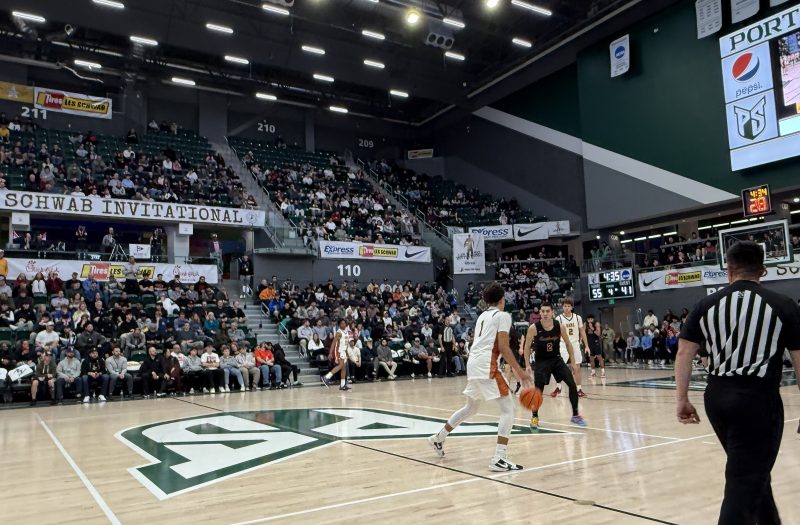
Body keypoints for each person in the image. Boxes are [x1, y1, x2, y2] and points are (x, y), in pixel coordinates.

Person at [676, 241, 800, 525]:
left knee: (753, 470)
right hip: (757, 399)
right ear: (763, 270)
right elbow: (798, 359)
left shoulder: (706, 304)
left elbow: (684, 352)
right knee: (744, 478)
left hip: (717, 397)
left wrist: (681, 399)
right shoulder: (783, 305)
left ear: (728, 270)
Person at [428, 283, 531, 471]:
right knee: (509, 408)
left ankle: (438, 438)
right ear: (503, 299)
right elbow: (503, 346)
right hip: (486, 364)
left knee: (471, 407)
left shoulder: (483, 315)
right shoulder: (503, 316)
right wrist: (519, 371)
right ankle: (499, 458)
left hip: (473, 363)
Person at [524, 302, 587, 430]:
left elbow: (568, 344)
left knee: (572, 384)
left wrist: (573, 362)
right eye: (543, 311)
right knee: (538, 391)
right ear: (540, 313)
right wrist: (527, 364)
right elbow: (526, 347)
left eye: (548, 311)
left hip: (556, 360)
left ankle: (575, 415)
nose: (545, 313)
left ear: (553, 312)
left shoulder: (559, 326)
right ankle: (534, 417)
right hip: (541, 362)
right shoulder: (533, 328)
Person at [552, 297, 590, 397]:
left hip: (575, 344)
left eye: (569, 306)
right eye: (565, 306)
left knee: (577, 367)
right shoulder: (558, 318)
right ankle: (558, 387)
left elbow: (582, 332)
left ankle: (579, 389)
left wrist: (586, 346)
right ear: (562, 307)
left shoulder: (578, 318)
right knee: (558, 367)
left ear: (572, 307)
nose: (567, 308)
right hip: (563, 344)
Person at [320, 319, 351, 391]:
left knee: (344, 368)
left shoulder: (346, 332)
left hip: (344, 351)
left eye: (344, 323)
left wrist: (347, 352)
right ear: (339, 325)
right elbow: (333, 343)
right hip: (339, 351)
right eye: (342, 323)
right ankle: (326, 377)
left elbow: (346, 343)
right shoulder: (339, 333)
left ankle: (342, 385)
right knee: (340, 365)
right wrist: (330, 353)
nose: (343, 324)